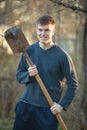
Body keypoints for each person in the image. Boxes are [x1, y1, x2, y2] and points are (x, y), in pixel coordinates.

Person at [12, 15, 78, 130]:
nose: (43, 33)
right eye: (40, 30)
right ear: (36, 30)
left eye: (47, 30)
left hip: (48, 110)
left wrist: (62, 105)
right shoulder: (28, 51)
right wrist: (28, 74)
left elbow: (73, 84)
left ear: (53, 31)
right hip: (26, 106)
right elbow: (19, 76)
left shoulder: (62, 56)